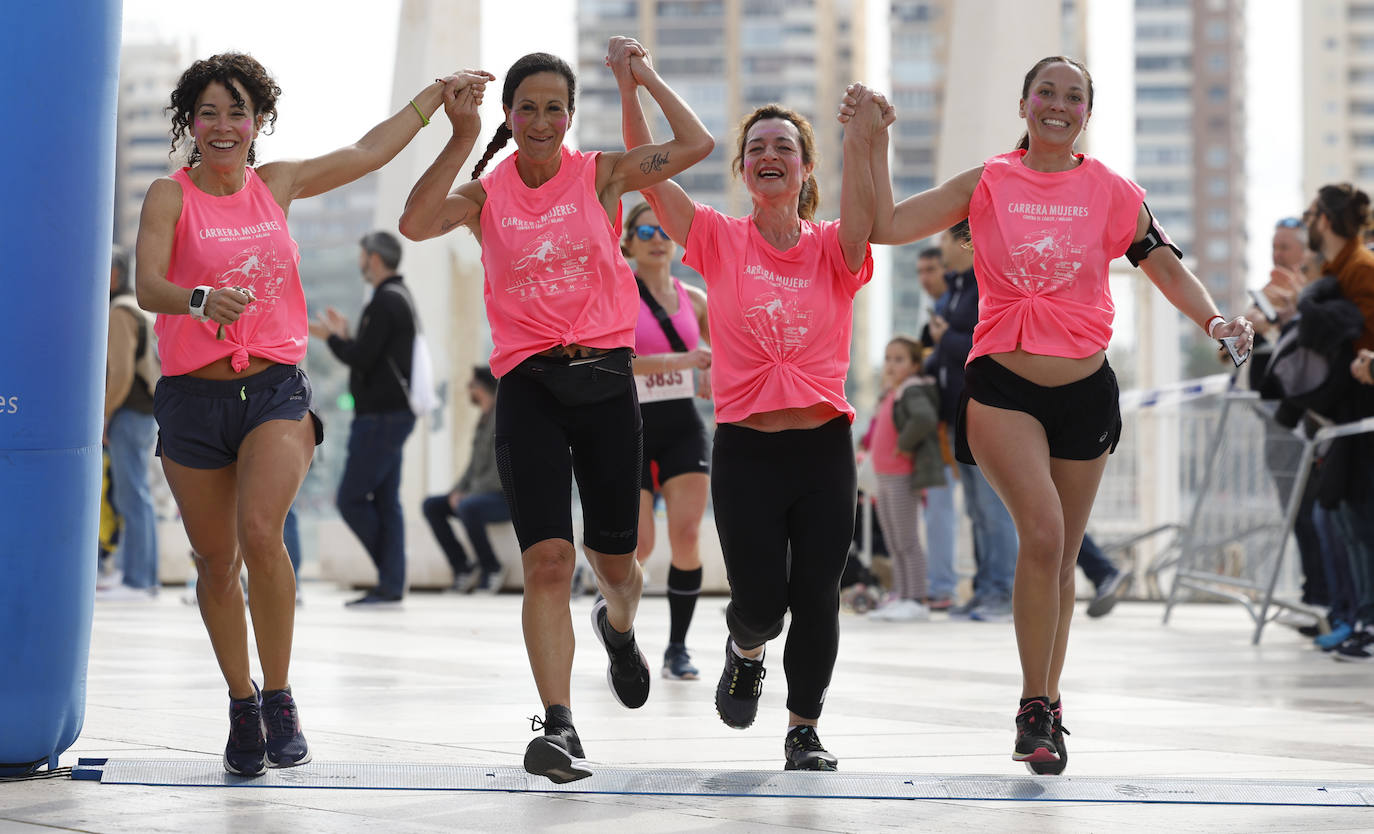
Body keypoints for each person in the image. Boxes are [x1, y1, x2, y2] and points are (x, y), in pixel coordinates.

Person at [847, 55, 1254, 773]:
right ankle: (1033, 706)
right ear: (1024, 103)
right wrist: (872, 143)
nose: (1058, 105)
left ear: (1086, 113)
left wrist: (1216, 322)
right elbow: (884, 225)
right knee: (1042, 532)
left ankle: (1050, 702)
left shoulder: (1112, 192)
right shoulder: (990, 181)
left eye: (1073, 96)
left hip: (1085, 393)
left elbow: (1161, 263)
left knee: (1062, 558)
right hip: (1003, 386)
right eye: (1046, 92)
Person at [135, 51, 492, 777]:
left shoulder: (279, 184)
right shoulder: (169, 197)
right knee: (213, 562)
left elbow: (368, 151)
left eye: (239, 111)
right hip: (192, 399)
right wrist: (198, 299)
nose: (224, 125)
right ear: (191, 124)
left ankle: (281, 695)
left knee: (262, 533)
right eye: (209, 112)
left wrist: (432, 98)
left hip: (273, 389)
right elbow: (147, 284)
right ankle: (241, 702)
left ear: (259, 121)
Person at [398, 39, 713, 783]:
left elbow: (695, 144)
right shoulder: (487, 194)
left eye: (554, 108)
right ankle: (560, 726)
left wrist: (643, 75)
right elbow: (414, 223)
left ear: (570, 116)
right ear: (510, 114)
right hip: (529, 387)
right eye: (527, 108)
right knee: (547, 560)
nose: (541, 120)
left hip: (607, 383)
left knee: (618, 564)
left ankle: (620, 625)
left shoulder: (599, 175)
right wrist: (463, 135)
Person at [621, 43, 881, 766]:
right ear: (742, 169)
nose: (771, 155)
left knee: (819, 595)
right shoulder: (717, 240)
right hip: (746, 449)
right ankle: (745, 647)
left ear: (804, 170)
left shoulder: (835, 247)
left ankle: (803, 728)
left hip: (824, 447)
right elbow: (649, 165)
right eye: (757, 147)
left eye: (786, 147)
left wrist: (864, 136)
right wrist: (631, 78)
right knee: (763, 599)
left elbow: (865, 210)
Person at [621, 202, 713, 681]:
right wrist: (686, 362)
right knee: (638, 545)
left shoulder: (694, 298)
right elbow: (621, 362)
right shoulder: (618, 292)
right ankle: (622, 636)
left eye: (664, 230)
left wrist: (711, 371)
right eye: (646, 230)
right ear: (629, 242)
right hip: (630, 427)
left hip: (682, 425)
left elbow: (718, 353)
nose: (658, 238)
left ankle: (677, 647)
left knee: (688, 535)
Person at [309, 230, 421, 607]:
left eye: (361, 256)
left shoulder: (385, 302)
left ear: (373, 259)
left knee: (352, 498)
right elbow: (373, 353)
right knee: (387, 501)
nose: (360, 263)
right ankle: (391, 584)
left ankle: (390, 576)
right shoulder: (398, 298)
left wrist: (333, 339)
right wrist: (345, 335)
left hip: (380, 417)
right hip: (392, 414)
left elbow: (362, 359)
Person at [928, 222, 1019, 623]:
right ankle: (985, 589)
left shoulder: (984, 287)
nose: (939, 249)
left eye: (943, 240)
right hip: (956, 417)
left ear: (964, 242)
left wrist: (945, 338)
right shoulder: (956, 289)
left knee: (994, 509)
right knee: (978, 513)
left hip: (985, 411)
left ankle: (1001, 592)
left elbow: (986, 344)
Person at [1302, 183, 1374, 662]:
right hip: (1347, 412)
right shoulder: (1336, 270)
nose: (1308, 221)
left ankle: (1365, 620)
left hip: (1364, 411)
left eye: (1310, 214)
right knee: (1345, 516)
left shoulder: (1361, 270)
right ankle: (1358, 617)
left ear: (1324, 220)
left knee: (1360, 520)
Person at [865, 336, 942, 622]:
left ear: (914, 365)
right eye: (888, 358)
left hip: (901, 475)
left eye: (899, 359)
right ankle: (900, 594)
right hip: (885, 476)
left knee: (906, 539)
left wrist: (903, 445)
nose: (891, 365)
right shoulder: (892, 392)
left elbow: (923, 419)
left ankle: (916, 599)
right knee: (894, 540)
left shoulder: (912, 390)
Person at [102, 244, 161, 601]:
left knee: (132, 494)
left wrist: (103, 415)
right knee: (135, 494)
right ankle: (136, 574)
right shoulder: (136, 306)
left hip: (130, 411)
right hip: (143, 411)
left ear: (117, 273)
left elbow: (121, 374)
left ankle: (138, 579)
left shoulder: (120, 312)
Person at [421, 366, 511, 594]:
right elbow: (472, 468)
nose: (468, 391)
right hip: (481, 495)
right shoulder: (483, 419)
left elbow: (499, 471)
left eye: (470, 386)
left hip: (504, 499)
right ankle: (462, 568)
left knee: (468, 506)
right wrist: (456, 491)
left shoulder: (502, 418)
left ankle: (492, 568)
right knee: (432, 505)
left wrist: (467, 495)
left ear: (480, 388)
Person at [915, 247, 958, 609]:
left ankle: (945, 587)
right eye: (921, 271)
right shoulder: (935, 320)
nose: (926, 277)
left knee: (1008, 510)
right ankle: (942, 587)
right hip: (943, 429)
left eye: (932, 269)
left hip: (970, 422)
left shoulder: (966, 307)